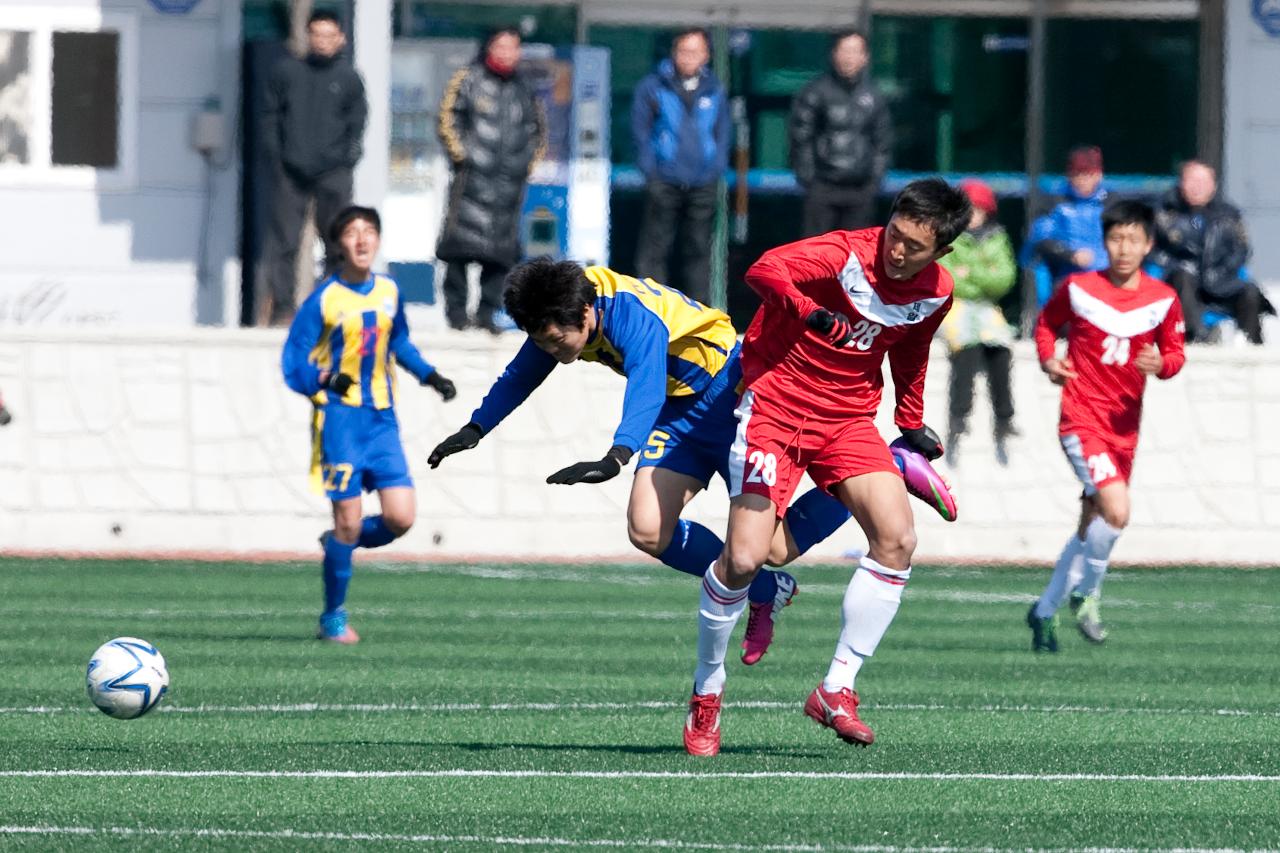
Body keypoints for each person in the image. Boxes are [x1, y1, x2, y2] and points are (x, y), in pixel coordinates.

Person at [427, 259, 857, 665]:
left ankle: (880, 469)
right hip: (679, 410)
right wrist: (475, 428)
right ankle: (765, 590)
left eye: (556, 341)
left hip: (733, 393)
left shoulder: (630, 316)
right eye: (542, 341)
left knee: (775, 547)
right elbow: (522, 373)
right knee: (647, 529)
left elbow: (646, 383)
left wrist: (618, 455)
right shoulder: (563, 307)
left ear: (587, 312)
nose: (551, 351)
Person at [681, 178, 971, 756]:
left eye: (913, 246)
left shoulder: (937, 292)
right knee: (746, 557)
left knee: (897, 538)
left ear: (940, 252)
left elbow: (911, 352)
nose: (897, 251)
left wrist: (910, 420)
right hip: (775, 404)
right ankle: (707, 691)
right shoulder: (843, 254)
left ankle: (837, 688)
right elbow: (764, 270)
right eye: (894, 234)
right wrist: (810, 314)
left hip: (847, 419)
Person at [282, 206, 458, 644]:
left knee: (401, 517)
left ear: (377, 241)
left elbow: (397, 340)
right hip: (339, 423)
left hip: (382, 422)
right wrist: (324, 378)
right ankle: (333, 618)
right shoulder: (323, 299)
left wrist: (430, 375)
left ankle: (338, 545)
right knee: (349, 520)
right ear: (339, 244)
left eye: (369, 232)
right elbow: (293, 363)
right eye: (352, 233)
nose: (361, 240)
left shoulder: (388, 292)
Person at [1027, 200, 1185, 653]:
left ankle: (1043, 612)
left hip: (1124, 428)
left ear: (1148, 244)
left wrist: (1163, 363)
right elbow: (1045, 325)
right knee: (1117, 509)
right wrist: (1048, 360)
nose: (1124, 248)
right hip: (1081, 420)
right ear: (1105, 241)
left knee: (1092, 520)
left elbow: (1175, 352)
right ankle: (1087, 593)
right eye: (1116, 238)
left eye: (1133, 239)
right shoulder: (1078, 288)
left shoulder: (1163, 299)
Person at [261, 10, 368, 326]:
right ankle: (283, 307)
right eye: (316, 35)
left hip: (334, 172)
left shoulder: (349, 78)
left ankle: (333, 305)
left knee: (338, 241)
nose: (322, 41)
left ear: (340, 38)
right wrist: (278, 157)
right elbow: (270, 117)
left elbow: (358, 123)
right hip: (291, 171)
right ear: (308, 37)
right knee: (284, 243)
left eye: (328, 35)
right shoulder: (287, 72)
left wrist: (347, 158)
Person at [436, 27, 545, 333]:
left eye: (513, 47)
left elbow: (538, 130)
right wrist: (463, 156)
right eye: (502, 47)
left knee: (500, 254)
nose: (507, 53)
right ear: (489, 48)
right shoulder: (468, 79)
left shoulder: (525, 88)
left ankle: (488, 313)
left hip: (509, 182)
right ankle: (456, 313)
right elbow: (447, 118)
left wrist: (526, 163)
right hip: (472, 179)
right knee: (458, 249)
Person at [631, 29, 731, 305]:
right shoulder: (653, 86)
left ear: (706, 55)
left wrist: (716, 167)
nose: (689, 57)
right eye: (684, 51)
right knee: (655, 248)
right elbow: (641, 132)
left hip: (703, 182)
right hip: (663, 179)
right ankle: (651, 308)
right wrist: (651, 170)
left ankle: (699, 313)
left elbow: (722, 133)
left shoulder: (715, 89)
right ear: (674, 53)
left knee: (698, 249)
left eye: (695, 51)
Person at [937, 179, 1018, 466]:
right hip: (955, 307)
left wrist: (969, 274)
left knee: (1001, 347)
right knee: (966, 348)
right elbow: (947, 278)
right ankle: (960, 413)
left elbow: (1005, 278)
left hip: (986, 306)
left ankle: (1005, 415)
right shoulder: (948, 237)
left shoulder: (997, 237)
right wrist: (983, 275)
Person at [1150, 160, 1272, 345]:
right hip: (1180, 282)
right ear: (1181, 183)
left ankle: (1252, 344)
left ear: (1213, 186)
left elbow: (1241, 251)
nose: (1197, 187)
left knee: (1250, 291)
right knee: (1183, 277)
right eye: (1192, 180)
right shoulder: (1164, 212)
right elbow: (1154, 253)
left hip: (1219, 280)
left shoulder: (1229, 215)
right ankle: (1195, 337)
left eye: (1203, 182)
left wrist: (1221, 273)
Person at [789, 29, 892, 236]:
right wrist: (809, 178)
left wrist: (874, 181)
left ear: (865, 57)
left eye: (855, 51)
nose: (849, 58)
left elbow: (883, 141)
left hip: (860, 189)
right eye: (844, 51)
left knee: (855, 255)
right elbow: (800, 136)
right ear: (834, 54)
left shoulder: (874, 96)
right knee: (816, 254)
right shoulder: (815, 92)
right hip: (822, 187)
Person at [1025, 146, 1109, 287]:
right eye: (1076, 174)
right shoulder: (1054, 202)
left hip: (1107, 277)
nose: (1082, 179)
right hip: (1067, 277)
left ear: (1099, 175)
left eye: (1088, 174)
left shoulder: (1112, 202)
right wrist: (1070, 255)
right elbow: (1041, 238)